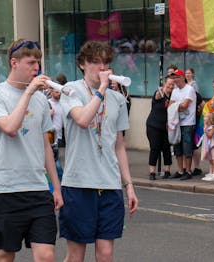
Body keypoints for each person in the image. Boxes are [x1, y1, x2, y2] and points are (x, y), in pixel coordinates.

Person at [0, 39, 64, 262]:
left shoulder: (40, 100)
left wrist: (56, 187)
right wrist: (28, 93)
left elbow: (46, 145)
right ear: (14, 63)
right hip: (6, 190)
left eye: (38, 62)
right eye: (30, 62)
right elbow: (10, 127)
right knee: (5, 254)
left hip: (38, 189)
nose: (36, 68)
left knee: (46, 255)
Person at [57, 41, 138, 261]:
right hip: (79, 183)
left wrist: (129, 185)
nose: (101, 68)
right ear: (82, 64)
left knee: (106, 252)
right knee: (76, 253)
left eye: (105, 63)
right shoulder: (70, 90)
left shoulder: (118, 99)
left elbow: (119, 144)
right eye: (95, 62)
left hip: (109, 183)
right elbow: (83, 119)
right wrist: (102, 89)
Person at [169, 69, 197, 180]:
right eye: (173, 77)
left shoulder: (189, 89)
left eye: (176, 77)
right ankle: (180, 171)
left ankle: (188, 171)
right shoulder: (175, 91)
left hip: (188, 123)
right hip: (177, 122)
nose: (174, 79)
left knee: (187, 147)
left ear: (181, 77)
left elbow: (185, 105)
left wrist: (176, 106)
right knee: (177, 148)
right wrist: (176, 106)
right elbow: (170, 106)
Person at [146, 76, 174, 180]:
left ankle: (167, 170)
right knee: (155, 147)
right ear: (164, 84)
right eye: (169, 84)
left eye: (172, 84)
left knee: (167, 148)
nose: (170, 86)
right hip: (154, 126)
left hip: (167, 127)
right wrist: (161, 90)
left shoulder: (173, 96)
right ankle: (152, 172)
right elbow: (158, 96)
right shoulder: (159, 93)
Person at [200, 112, 214, 181]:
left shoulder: (212, 127)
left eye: (205, 117)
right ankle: (210, 173)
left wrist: (205, 129)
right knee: (210, 160)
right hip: (208, 146)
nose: (204, 118)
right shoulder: (206, 127)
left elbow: (210, 136)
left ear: (210, 119)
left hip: (213, 145)